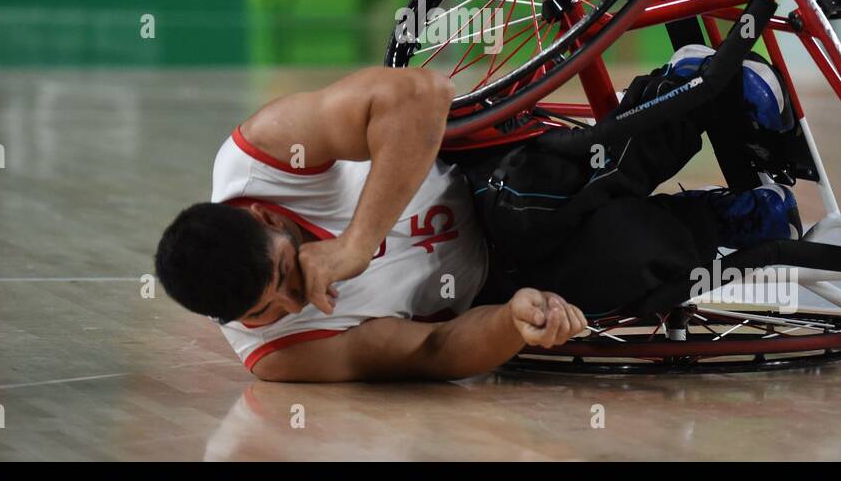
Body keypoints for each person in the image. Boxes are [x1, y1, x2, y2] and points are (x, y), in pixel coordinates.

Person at [154, 46, 801, 382]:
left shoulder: (264, 153)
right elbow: (431, 350)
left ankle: (692, 89)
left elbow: (421, 96)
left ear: (268, 216)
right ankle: (723, 220)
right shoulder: (278, 354)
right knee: (625, 263)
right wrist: (515, 322)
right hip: (486, 286)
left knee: (527, 201)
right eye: (277, 304)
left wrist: (354, 245)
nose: (303, 294)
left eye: (289, 269)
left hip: (480, 177)